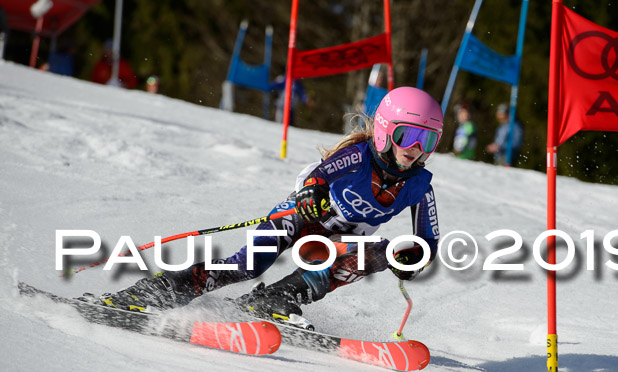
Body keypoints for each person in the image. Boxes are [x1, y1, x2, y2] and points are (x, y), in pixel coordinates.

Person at [87, 87, 444, 330]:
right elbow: (318, 177)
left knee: (380, 252)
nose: (414, 147)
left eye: (426, 139)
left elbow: (429, 241)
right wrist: (309, 196)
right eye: (406, 135)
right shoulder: (358, 156)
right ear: (384, 131)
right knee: (248, 264)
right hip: (301, 216)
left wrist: (413, 259)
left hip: (335, 242)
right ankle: (156, 292)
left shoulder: (419, 185)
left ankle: (276, 299)